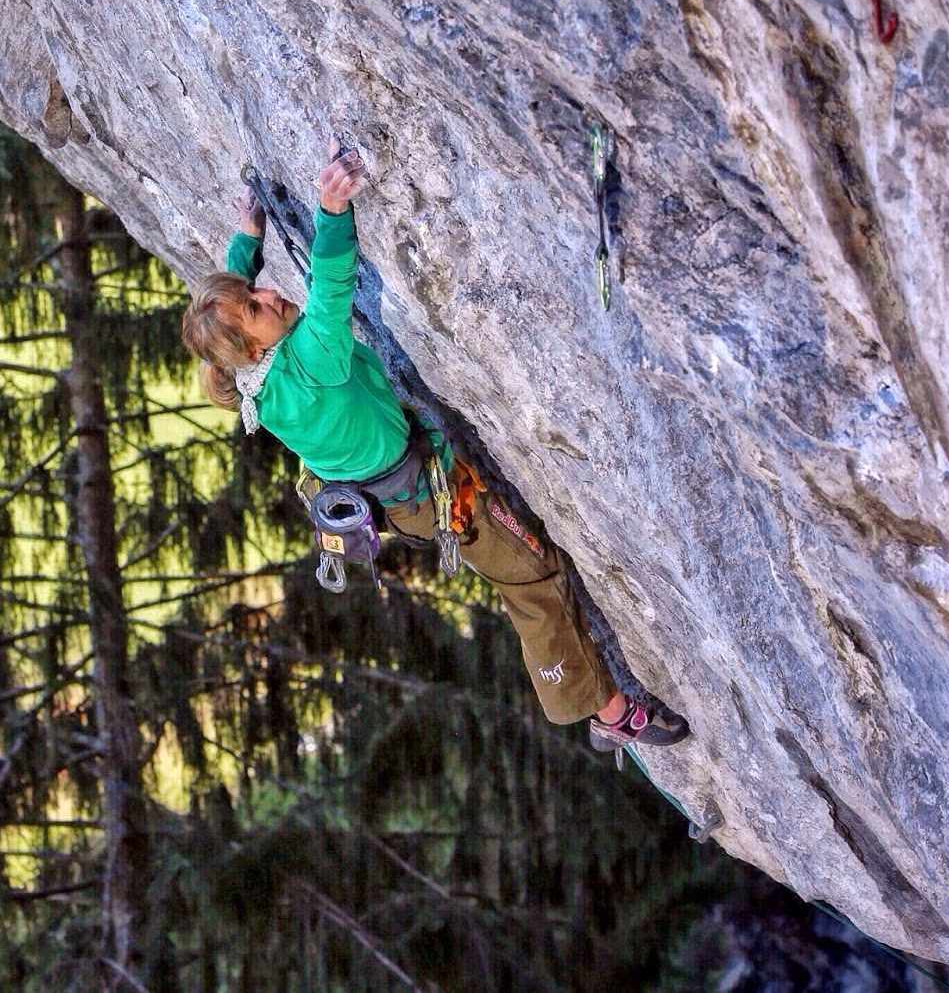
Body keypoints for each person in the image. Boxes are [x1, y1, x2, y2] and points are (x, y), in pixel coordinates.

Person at [180, 142, 688, 751]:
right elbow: (331, 290)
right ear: (256, 348)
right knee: (532, 575)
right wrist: (331, 209)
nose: (268, 297)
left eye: (257, 290)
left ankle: (599, 703)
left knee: (529, 570)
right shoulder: (309, 362)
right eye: (257, 309)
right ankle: (609, 714)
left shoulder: (250, 382)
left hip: (396, 496)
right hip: (429, 495)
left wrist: (245, 239)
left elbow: (236, 302)